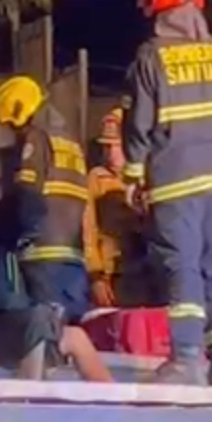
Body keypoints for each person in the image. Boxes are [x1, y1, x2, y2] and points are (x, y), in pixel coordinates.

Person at [121, 0, 212, 387]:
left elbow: (139, 122)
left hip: (176, 180)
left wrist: (133, 175)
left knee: (183, 266)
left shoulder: (152, 57)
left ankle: (187, 357)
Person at [0, 174, 112, 382]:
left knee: (76, 337)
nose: (33, 234)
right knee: (38, 320)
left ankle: (118, 405)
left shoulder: (8, 245)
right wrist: (37, 311)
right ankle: (30, 393)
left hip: (13, 330)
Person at [0, 76, 90, 323]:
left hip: (42, 253)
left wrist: (6, 232)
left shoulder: (35, 138)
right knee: (73, 329)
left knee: (46, 331)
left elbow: (27, 194)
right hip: (72, 252)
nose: (13, 132)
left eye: (12, 125)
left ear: (22, 112)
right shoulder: (70, 141)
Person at [84, 107, 154, 308]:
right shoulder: (97, 178)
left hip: (144, 271)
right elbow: (89, 229)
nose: (111, 154)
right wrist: (95, 276)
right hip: (111, 276)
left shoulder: (146, 177)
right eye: (107, 147)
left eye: (117, 146)